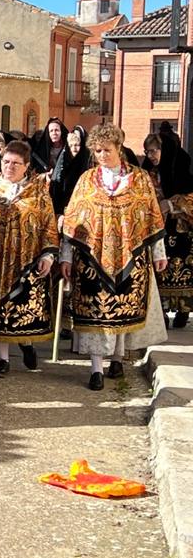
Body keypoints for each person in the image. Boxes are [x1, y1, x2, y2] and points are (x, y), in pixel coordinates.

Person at [60, 124, 168, 390]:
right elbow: (73, 219)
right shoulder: (86, 180)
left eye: (106, 150)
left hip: (132, 254)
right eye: (97, 151)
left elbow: (152, 217)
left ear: (119, 148)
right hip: (92, 258)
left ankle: (118, 358)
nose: (102, 155)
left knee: (124, 308)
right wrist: (66, 257)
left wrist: (158, 252)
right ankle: (96, 368)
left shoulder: (141, 179)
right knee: (95, 311)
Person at [0, 140, 59, 377]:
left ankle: (26, 344)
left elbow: (48, 225)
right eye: (6, 162)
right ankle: (3, 359)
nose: (10, 167)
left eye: (16, 163)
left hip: (26, 259)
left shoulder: (38, 191)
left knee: (21, 309)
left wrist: (48, 255)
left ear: (27, 166)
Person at [143, 133, 193, 328]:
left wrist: (171, 204)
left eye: (154, 150)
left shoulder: (182, 169)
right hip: (159, 230)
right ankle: (161, 311)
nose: (150, 155)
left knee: (184, 269)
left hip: (182, 230)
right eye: (147, 151)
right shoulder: (148, 173)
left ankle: (183, 310)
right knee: (159, 271)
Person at [50, 125, 90, 216]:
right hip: (63, 208)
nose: (74, 149)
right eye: (71, 145)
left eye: (77, 145)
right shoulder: (64, 161)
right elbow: (56, 185)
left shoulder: (86, 162)